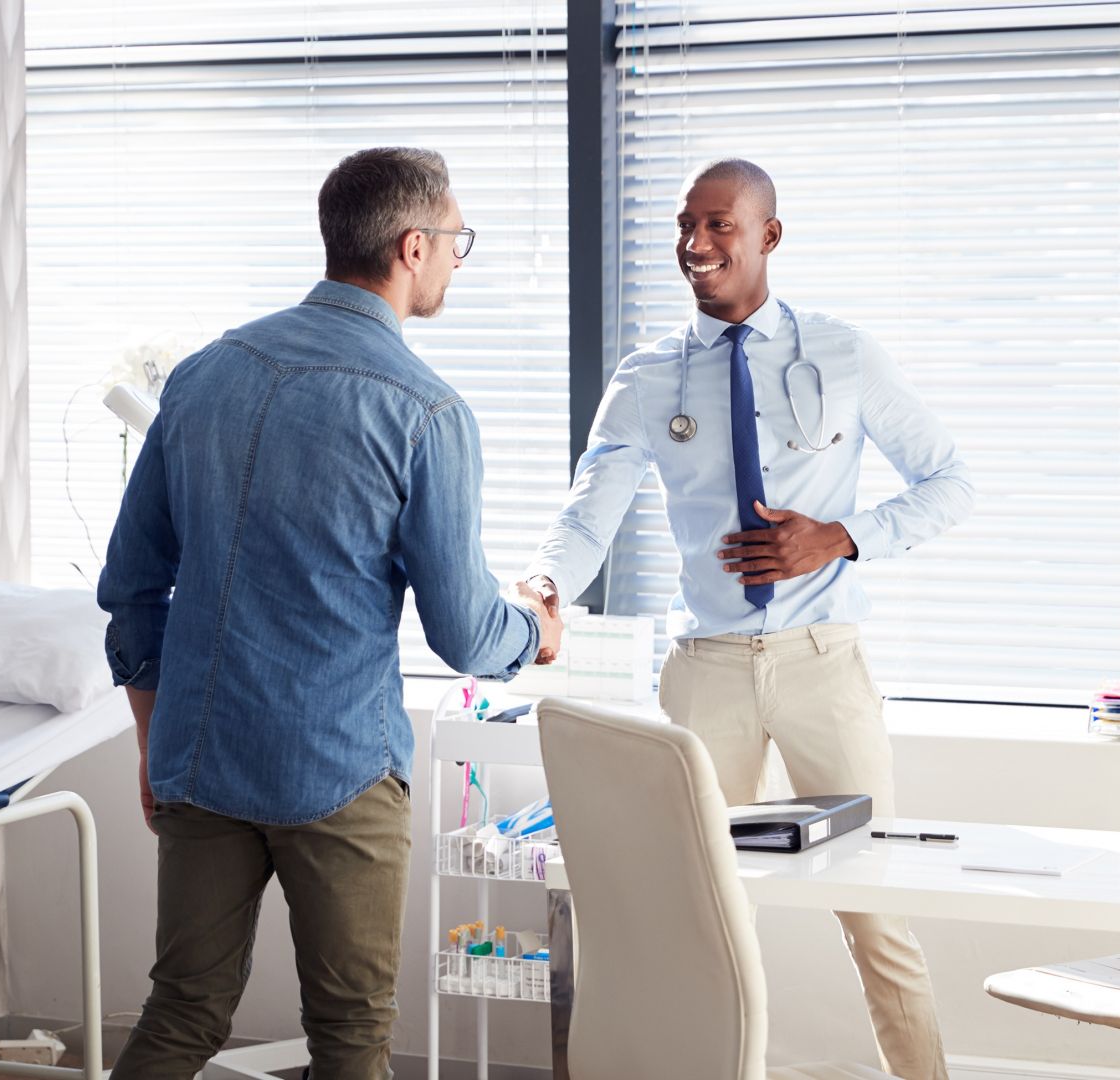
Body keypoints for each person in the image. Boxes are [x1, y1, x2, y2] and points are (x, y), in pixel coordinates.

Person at [97, 147, 561, 1080]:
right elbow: (465, 631)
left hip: (198, 756)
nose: (458, 260)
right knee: (350, 1036)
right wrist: (535, 632)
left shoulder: (201, 376)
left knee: (182, 1011)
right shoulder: (424, 411)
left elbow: (132, 587)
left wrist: (156, 741)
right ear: (412, 245)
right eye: (458, 241)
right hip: (337, 767)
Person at [523, 158, 972, 1079]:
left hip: (823, 660)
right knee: (699, 922)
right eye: (686, 224)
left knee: (876, 913)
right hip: (709, 670)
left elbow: (950, 484)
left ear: (768, 234)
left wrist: (840, 537)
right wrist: (543, 584)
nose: (695, 243)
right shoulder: (650, 375)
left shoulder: (840, 352)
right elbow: (589, 509)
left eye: (719, 224)